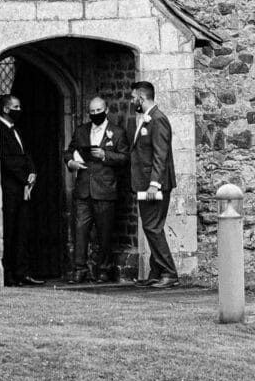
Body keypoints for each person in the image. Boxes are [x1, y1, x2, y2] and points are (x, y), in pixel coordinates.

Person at [64, 95, 129, 283]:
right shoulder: (81, 130)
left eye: (98, 111)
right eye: (91, 112)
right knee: (80, 230)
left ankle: (104, 269)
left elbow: (124, 158)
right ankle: (79, 269)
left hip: (105, 189)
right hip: (83, 188)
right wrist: (71, 162)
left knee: (104, 232)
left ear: (106, 111)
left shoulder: (117, 132)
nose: (95, 114)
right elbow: (70, 150)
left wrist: (104, 155)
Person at [129, 80, 179, 289]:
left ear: (141, 97)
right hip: (145, 183)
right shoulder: (146, 119)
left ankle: (169, 272)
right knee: (151, 227)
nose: (132, 101)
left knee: (152, 227)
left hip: (154, 185)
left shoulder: (158, 119)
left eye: (133, 98)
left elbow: (161, 154)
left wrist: (154, 184)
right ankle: (156, 272)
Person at [0, 93, 44, 288]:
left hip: (23, 190)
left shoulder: (16, 130)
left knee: (22, 232)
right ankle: (8, 274)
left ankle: (22, 272)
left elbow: (25, 155)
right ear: (6, 109)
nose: (19, 110)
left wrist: (32, 172)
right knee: (10, 233)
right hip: (10, 191)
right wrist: (24, 178)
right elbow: (8, 161)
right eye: (15, 107)